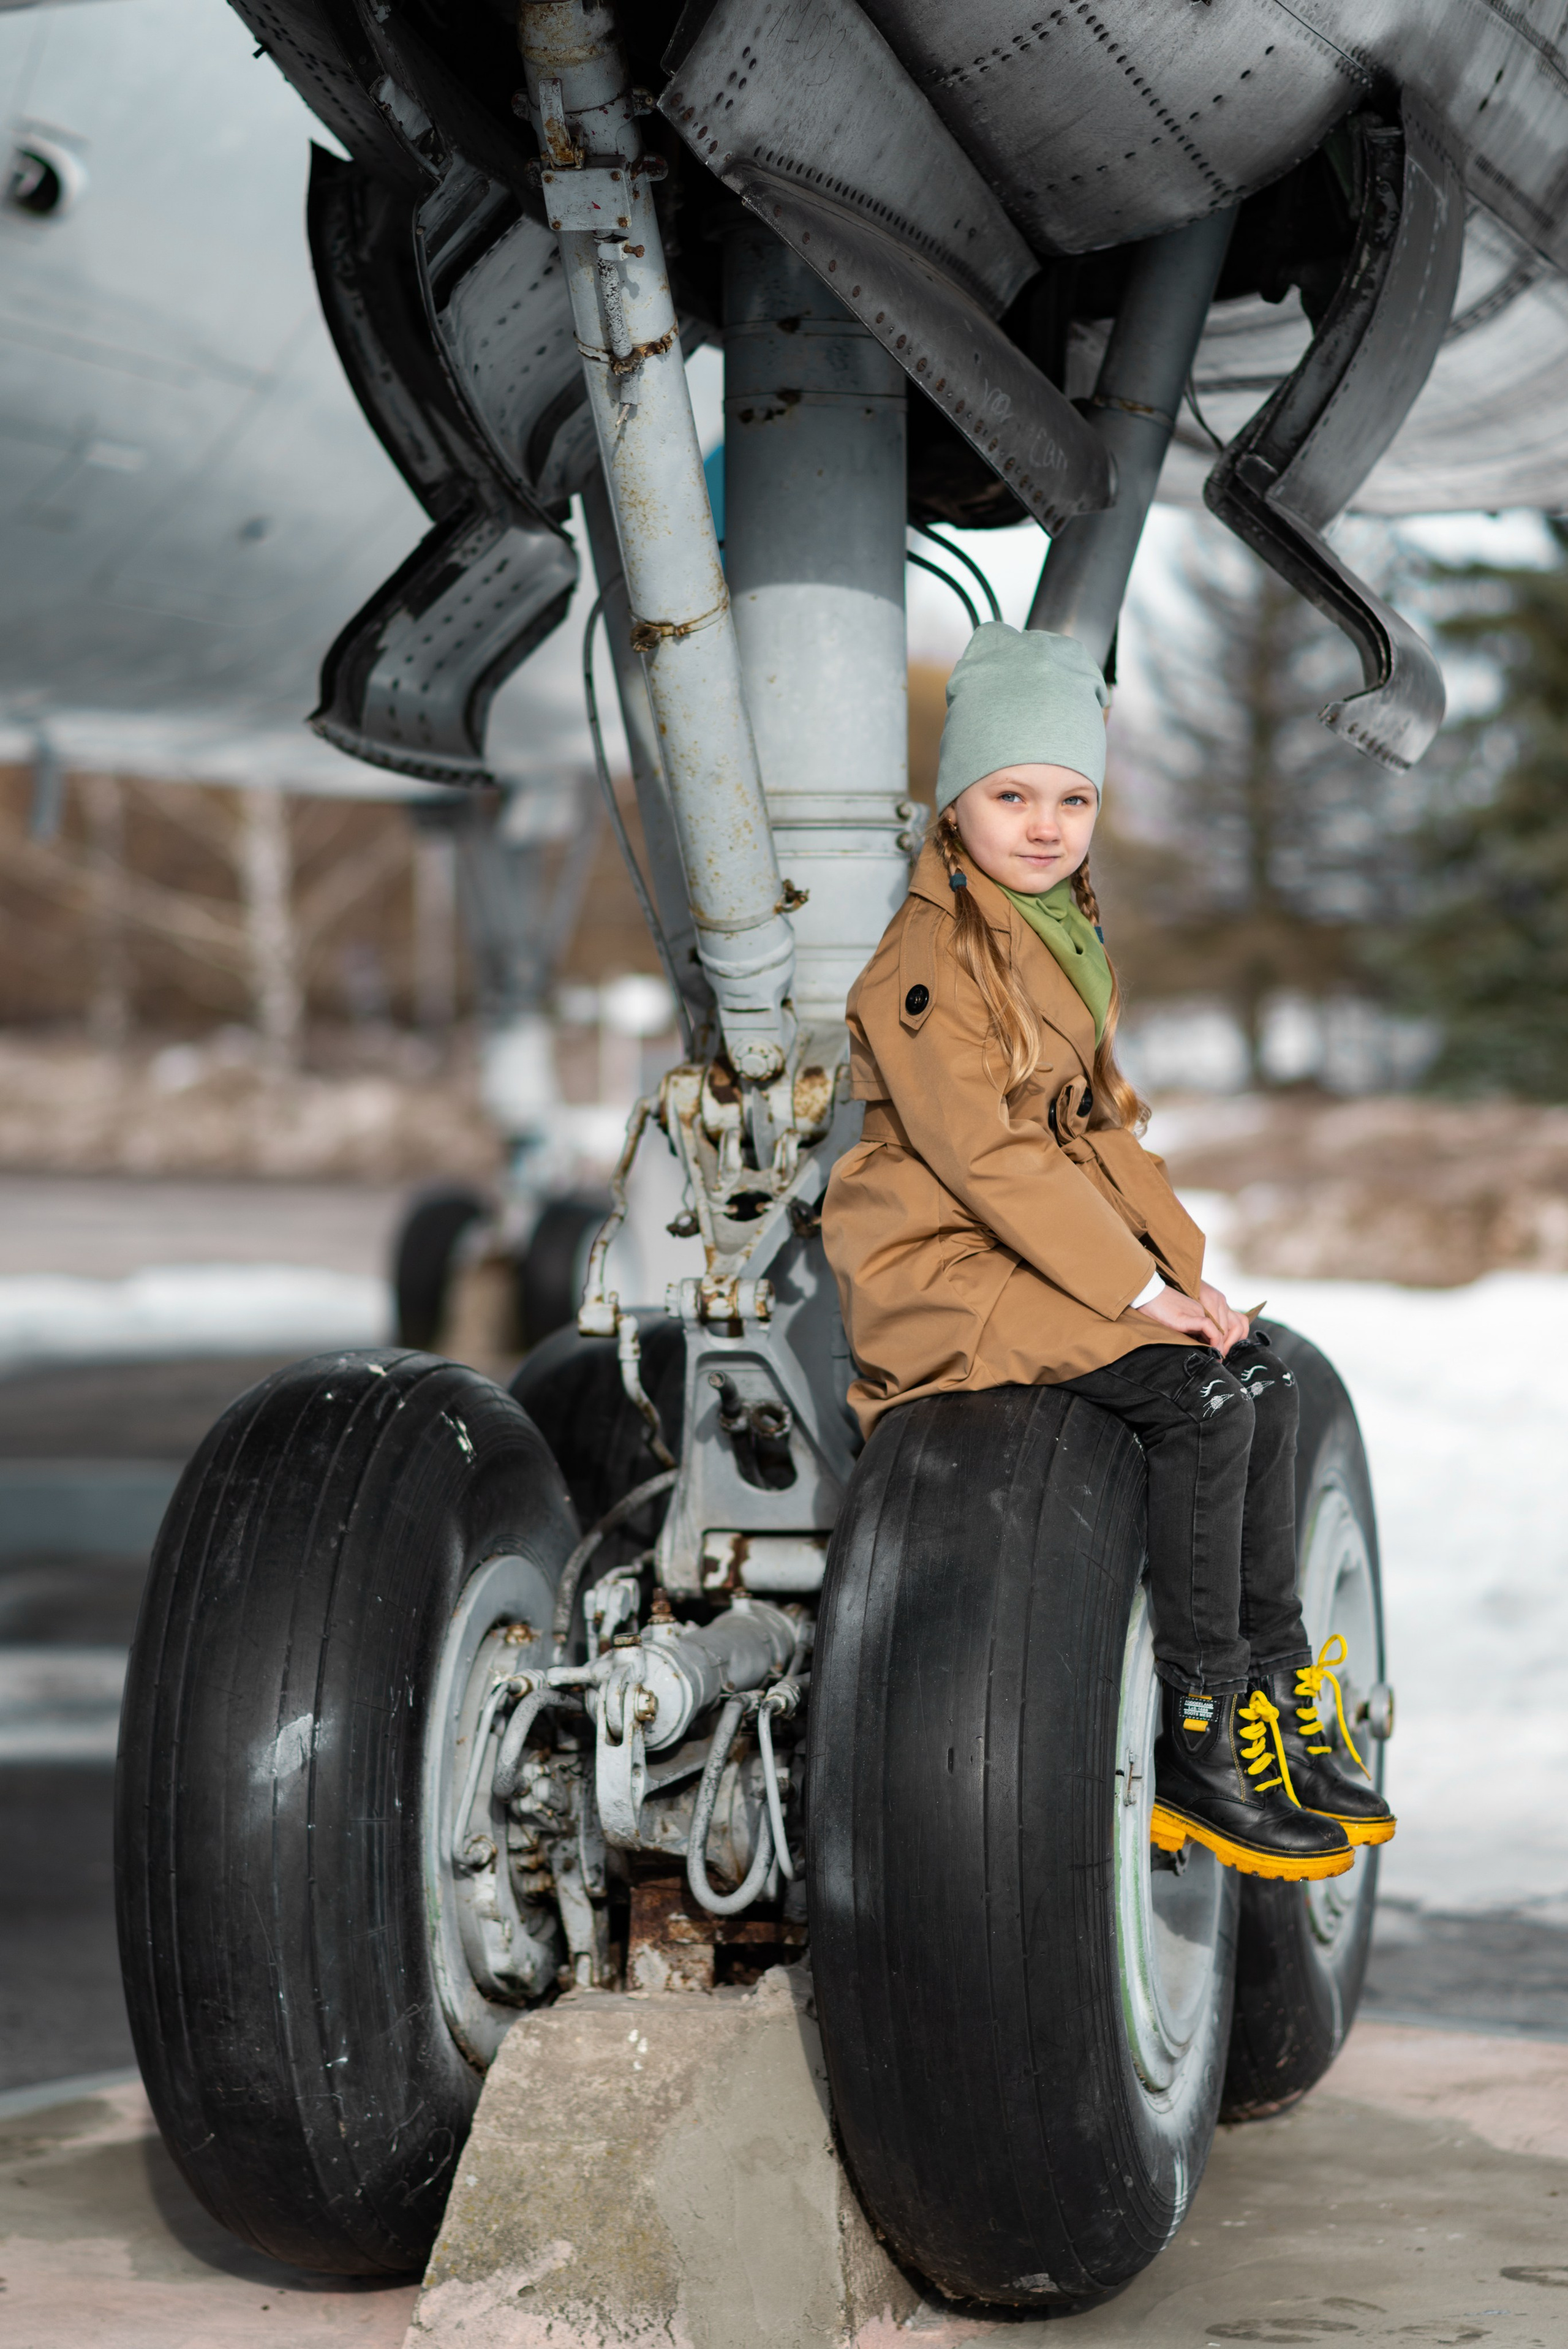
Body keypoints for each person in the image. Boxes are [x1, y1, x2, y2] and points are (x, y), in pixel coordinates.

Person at [822, 622, 1393, 1880]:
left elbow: (1098, 1126)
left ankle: (1272, 1696)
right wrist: (1135, 1292)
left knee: (1262, 1375)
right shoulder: (929, 959)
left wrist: (1185, 1275)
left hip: (1031, 1247)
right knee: (1197, 1406)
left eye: (1071, 797)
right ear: (954, 803)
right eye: (1010, 794)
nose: (1042, 823)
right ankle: (1199, 1739)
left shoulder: (1053, 925)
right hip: (944, 1266)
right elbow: (987, 1156)